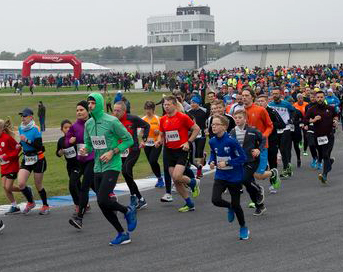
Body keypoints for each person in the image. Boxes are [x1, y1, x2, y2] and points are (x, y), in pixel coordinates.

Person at [80, 92, 137, 245]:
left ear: (99, 104)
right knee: (102, 203)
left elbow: (129, 140)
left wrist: (113, 152)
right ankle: (122, 233)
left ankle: (127, 211)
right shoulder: (88, 124)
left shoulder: (112, 121)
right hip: (98, 166)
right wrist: (86, 149)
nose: (90, 106)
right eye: (89, 103)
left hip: (112, 164)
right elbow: (89, 144)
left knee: (102, 198)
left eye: (93, 103)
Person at [155, 96, 201, 212]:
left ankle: (193, 182)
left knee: (177, 176)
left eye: (168, 104)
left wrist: (188, 142)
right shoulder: (163, 119)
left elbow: (196, 129)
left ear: (175, 105)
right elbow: (162, 133)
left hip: (182, 150)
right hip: (169, 151)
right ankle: (189, 204)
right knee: (175, 180)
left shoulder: (182, 117)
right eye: (164, 105)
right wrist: (159, 140)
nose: (166, 107)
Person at [209, 114, 249, 240]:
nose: (213, 127)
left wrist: (227, 163)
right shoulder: (212, 141)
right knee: (215, 199)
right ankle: (229, 206)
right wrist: (212, 161)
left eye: (216, 124)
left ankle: (243, 227)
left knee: (237, 205)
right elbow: (213, 153)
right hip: (221, 175)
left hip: (234, 177)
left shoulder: (231, 141)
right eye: (212, 124)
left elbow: (243, 158)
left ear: (224, 127)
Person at [230, 110, 272, 216]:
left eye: (240, 117)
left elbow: (263, 139)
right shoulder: (232, 132)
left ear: (245, 119)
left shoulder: (252, 130)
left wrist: (258, 149)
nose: (237, 120)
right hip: (240, 162)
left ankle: (259, 188)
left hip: (252, 160)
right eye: (236, 118)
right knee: (249, 186)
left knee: (244, 179)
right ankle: (260, 207)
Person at [113, 101, 150, 210]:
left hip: (133, 150)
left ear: (124, 111)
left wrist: (144, 139)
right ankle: (141, 199)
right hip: (120, 151)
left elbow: (146, 125)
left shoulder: (132, 118)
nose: (115, 113)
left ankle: (133, 197)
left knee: (125, 171)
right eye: (114, 110)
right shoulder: (113, 121)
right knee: (127, 175)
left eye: (118, 111)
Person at [66, 101, 95, 228]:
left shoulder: (94, 123)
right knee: (73, 184)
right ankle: (109, 200)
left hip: (92, 160)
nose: (78, 112)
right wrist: (70, 141)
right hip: (80, 161)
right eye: (77, 110)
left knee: (84, 187)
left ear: (88, 111)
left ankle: (79, 216)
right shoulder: (74, 126)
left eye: (81, 110)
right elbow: (66, 141)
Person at [17, 108, 49, 215]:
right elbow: (23, 141)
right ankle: (31, 202)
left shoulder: (36, 129)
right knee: (21, 183)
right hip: (27, 158)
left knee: (38, 184)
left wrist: (26, 140)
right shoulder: (20, 128)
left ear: (31, 117)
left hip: (38, 158)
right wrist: (20, 144)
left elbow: (38, 146)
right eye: (22, 116)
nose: (23, 118)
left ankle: (45, 205)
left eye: (25, 116)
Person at [304, 91, 338, 184]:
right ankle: (329, 163)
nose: (319, 99)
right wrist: (314, 120)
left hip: (329, 135)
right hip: (318, 136)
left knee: (325, 155)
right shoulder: (312, 109)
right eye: (318, 97)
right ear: (315, 98)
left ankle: (324, 175)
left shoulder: (330, 108)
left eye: (321, 97)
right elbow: (305, 120)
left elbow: (336, 115)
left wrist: (335, 121)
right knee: (323, 155)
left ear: (324, 98)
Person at [268, 89, 295, 178]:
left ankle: (285, 168)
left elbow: (294, 111)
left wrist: (291, 119)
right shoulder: (270, 105)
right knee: (279, 149)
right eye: (273, 93)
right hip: (276, 129)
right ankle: (288, 165)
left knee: (283, 149)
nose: (275, 95)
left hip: (286, 128)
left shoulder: (286, 103)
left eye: (276, 93)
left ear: (280, 94)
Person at [56, 119, 81, 214]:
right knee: (77, 185)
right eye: (65, 128)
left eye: (69, 127)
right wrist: (60, 152)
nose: (67, 129)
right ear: (62, 129)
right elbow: (58, 153)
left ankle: (78, 205)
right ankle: (84, 203)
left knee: (72, 185)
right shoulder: (61, 140)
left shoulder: (76, 138)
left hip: (78, 165)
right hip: (70, 166)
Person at [0, 118, 21, 214]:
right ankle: (14, 206)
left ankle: (25, 189)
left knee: (8, 187)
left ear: (1, 129)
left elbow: (17, 149)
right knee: (5, 187)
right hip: (4, 167)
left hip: (12, 166)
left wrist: (7, 156)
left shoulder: (7, 138)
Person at [141, 101, 164, 188]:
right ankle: (159, 178)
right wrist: (143, 141)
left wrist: (158, 132)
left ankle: (160, 179)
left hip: (156, 143)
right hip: (147, 144)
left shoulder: (158, 119)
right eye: (146, 109)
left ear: (153, 109)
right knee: (151, 162)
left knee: (153, 160)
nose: (148, 111)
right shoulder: (143, 119)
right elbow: (141, 132)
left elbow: (162, 131)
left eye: (149, 109)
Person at [187, 96, 207, 178]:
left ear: (198, 103)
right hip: (192, 135)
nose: (192, 104)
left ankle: (199, 171)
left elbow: (207, 121)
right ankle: (200, 162)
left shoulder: (204, 111)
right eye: (191, 103)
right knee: (192, 154)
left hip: (201, 135)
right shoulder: (188, 112)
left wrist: (206, 129)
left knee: (199, 153)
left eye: (194, 103)